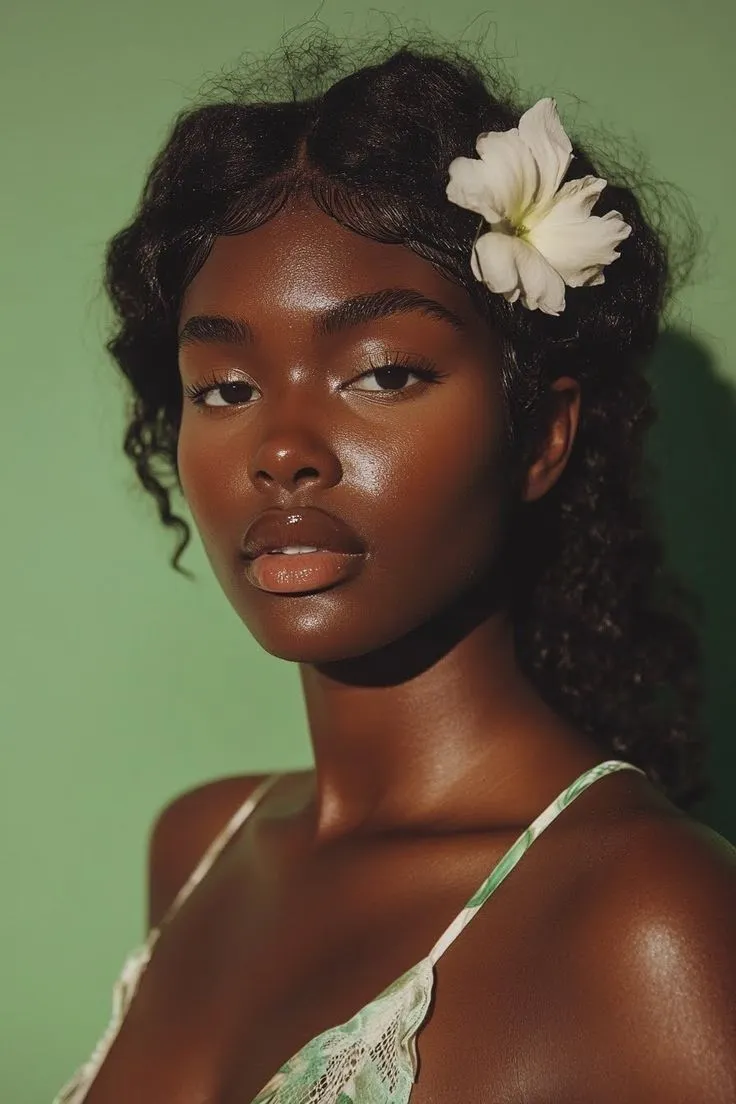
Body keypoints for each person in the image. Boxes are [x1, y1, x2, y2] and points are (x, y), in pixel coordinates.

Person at [55, 32, 736, 1104]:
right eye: (224, 388)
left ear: (543, 435)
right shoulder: (198, 848)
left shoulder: (648, 918)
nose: (281, 450)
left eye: (382, 373)